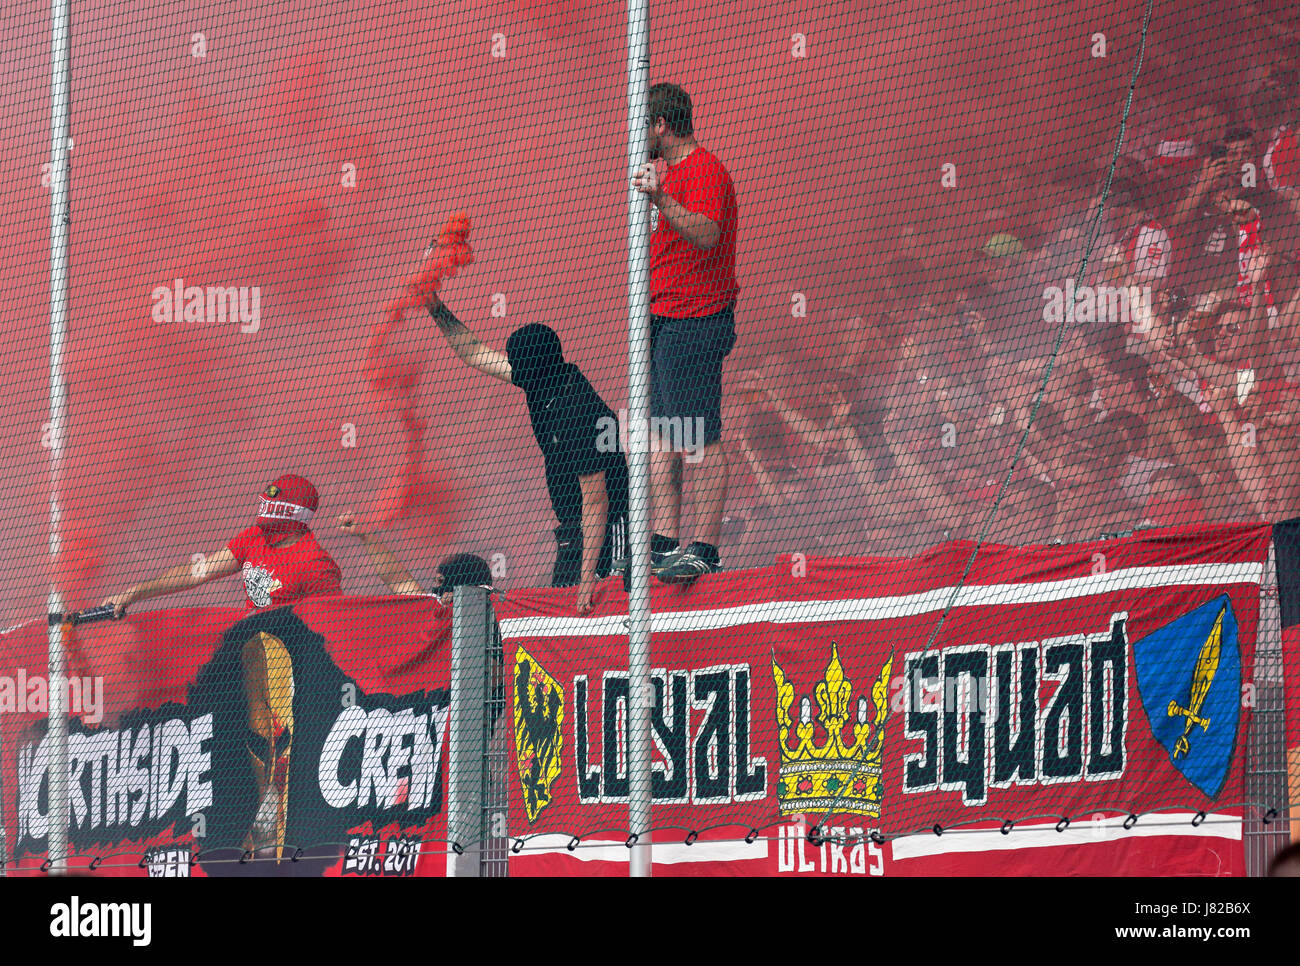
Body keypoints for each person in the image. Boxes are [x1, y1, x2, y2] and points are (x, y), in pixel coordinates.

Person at [423, 288, 627, 614]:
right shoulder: (544, 380)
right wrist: (436, 308)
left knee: (594, 615)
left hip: (605, 530)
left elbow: (596, 500)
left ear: (531, 367)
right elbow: (475, 352)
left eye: (517, 363)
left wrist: (587, 580)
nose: (511, 368)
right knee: (565, 618)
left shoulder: (576, 410)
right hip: (574, 528)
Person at [632, 82, 739, 585]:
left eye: (643, 125)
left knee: (701, 437)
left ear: (660, 126)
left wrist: (663, 199)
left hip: (695, 319)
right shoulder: (667, 174)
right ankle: (666, 544)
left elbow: (707, 234)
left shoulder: (705, 170)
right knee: (662, 436)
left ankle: (705, 547)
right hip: (661, 319)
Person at [102, 474, 343, 614]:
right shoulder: (254, 537)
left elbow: (334, 625)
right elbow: (198, 572)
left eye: (274, 503)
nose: (265, 506)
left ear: (293, 513)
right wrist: (134, 593)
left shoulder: (314, 564)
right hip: (253, 649)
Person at [336, 511, 493, 602]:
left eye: (441, 582)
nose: (437, 589)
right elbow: (398, 580)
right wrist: (366, 536)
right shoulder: (432, 610)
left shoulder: (494, 622)